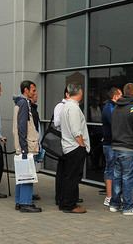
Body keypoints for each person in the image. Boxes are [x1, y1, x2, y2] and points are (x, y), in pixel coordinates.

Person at [109, 83, 133, 216]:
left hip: (116, 147)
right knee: (128, 178)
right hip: (130, 149)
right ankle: (128, 207)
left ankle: (114, 203)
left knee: (117, 177)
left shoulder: (116, 108)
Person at [57, 83, 89, 214]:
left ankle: (65, 202)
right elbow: (76, 131)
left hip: (68, 146)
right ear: (79, 92)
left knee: (68, 177)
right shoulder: (74, 108)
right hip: (75, 147)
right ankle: (70, 205)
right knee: (73, 178)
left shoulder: (65, 107)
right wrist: (82, 146)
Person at [12, 80, 42, 213]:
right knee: (27, 175)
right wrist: (24, 149)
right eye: (33, 90)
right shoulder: (24, 103)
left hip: (24, 146)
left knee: (21, 175)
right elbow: (22, 127)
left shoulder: (20, 103)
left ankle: (19, 201)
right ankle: (25, 203)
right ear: (26, 90)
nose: (35, 93)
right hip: (27, 147)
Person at [100, 86, 121, 206]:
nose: (122, 97)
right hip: (110, 144)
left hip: (112, 143)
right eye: (120, 95)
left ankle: (114, 195)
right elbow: (115, 124)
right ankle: (109, 197)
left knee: (114, 169)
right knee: (110, 169)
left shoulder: (112, 107)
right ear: (115, 96)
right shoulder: (109, 108)